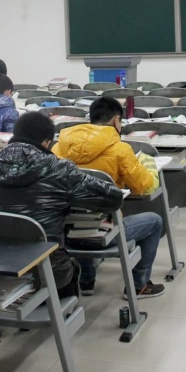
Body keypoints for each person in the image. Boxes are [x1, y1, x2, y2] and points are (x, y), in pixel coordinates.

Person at [0, 112, 125, 298]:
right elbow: (112, 198)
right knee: (67, 259)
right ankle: (62, 316)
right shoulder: (59, 169)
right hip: (47, 269)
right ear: (47, 142)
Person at [53, 96, 166, 299]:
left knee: (80, 210)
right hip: (104, 234)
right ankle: (139, 285)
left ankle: (86, 281)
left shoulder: (58, 148)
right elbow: (144, 187)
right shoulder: (120, 149)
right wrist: (147, 165)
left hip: (64, 232)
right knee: (154, 221)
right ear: (116, 121)